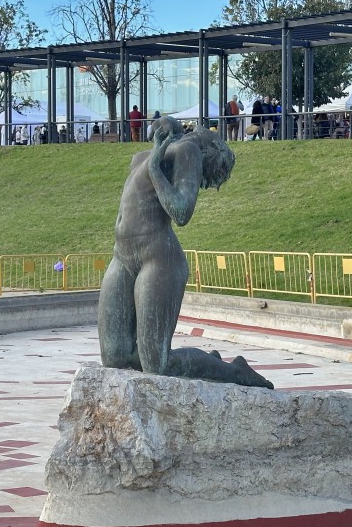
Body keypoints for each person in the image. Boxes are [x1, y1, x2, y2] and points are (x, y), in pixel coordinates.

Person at [98, 116, 273, 389]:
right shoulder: (163, 147)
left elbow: (181, 212)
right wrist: (164, 135)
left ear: (210, 147)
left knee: (157, 364)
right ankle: (206, 363)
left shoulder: (188, 151)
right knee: (115, 357)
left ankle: (234, 372)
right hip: (122, 256)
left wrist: (155, 169)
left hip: (157, 259)